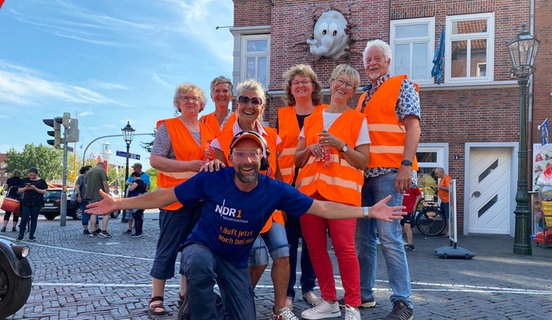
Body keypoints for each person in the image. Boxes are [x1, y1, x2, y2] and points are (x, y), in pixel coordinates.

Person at [85, 130, 406, 320]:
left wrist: (367, 212)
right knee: (196, 264)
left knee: (244, 315)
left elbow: (321, 206)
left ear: (263, 159)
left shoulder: (274, 190)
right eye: (240, 153)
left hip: (235, 261)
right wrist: (119, 203)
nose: (247, 159)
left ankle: (201, 308)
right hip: (204, 248)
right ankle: (196, 311)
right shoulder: (213, 179)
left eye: (254, 154)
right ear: (232, 157)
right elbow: (165, 195)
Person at [208, 79, 294, 319]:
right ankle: (239, 298)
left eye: (255, 101)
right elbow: (220, 180)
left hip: (270, 207)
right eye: (244, 99)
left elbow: (276, 174)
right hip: (241, 209)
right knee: (257, 259)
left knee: (283, 253)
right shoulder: (221, 139)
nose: (249, 105)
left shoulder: (273, 137)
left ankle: (280, 309)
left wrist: (283, 205)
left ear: (262, 106)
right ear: (236, 103)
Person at [294, 64, 369, 320]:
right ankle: (329, 301)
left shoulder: (358, 119)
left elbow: (363, 161)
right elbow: (297, 159)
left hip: (342, 195)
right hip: (310, 193)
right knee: (315, 249)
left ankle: (352, 305)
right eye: (339, 80)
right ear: (331, 82)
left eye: (348, 84)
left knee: (345, 249)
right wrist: (310, 148)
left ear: (353, 91)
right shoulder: (314, 116)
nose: (342, 86)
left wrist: (342, 145)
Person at [353, 39, 421, 320]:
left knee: (389, 237)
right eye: (368, 59)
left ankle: (403, 302)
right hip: (364, 176)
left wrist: (406, 165)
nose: (372, 64)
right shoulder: (362, 96)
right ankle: (364, 295)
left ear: (388, 61)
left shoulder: (401, 86)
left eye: (377, 58)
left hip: (390, 174)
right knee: (362, 239)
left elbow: (413, 126)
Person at [148, 82, 216, 316]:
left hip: (201, 200)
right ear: (177, 103)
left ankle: (184, 295)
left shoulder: (208, 130)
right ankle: (156, 296)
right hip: (174, 198)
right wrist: (189, 166)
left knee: (192, 249)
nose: (190, 102)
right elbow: (155, 160)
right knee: (167, 248)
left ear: (201, 104)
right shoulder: (169, 127)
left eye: (195, 98)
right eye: (185, 98)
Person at [278, 64, 325, 309]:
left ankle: (308, 287)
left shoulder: (324, 112)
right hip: (287, 186)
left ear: (313, 86)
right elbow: (276, 153)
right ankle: (287, 291)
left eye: (305, 81)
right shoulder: (282, 114)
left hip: (314, 186)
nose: (300, 85)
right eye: (295, 82)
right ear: (290, 89)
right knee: (288, 241)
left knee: (311, 240)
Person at [17, 167, 48, 241]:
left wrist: (35, 188)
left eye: (33, 175)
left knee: (34, 219)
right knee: (24, 218)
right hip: (26, 201)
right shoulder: (25, 180)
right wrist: (26, 188)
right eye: (30, 175)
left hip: (37, 202)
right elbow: (19, 190)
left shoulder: (41, 181)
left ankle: (31, 235)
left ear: (37, 174)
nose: (31, 177)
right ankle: (20, 235)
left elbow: (44, 191)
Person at [85, 162, 111, 238]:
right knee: (106, 212)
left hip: (90, 196)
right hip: (100, 196)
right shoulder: (102, 171)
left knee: (93, 213)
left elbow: (86, 185)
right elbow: (105, 183)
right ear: (103, 166)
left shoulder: (89, 172)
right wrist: (107, 194)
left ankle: (93, 231)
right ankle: (103, 230)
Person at [124, 162, 151, 234]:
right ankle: (130, 228)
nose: (133, 169)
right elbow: (127, 182)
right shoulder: (132, 175)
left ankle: (138, 229)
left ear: (138, 168)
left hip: (139, 197)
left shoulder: (145, 176)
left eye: (134, 168)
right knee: (130, 213)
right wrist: (132, 183)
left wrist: (139, 185)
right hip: (132, 197)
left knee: (138, 214)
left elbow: (148, 186)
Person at [75, 165, 99, 235]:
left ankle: (96, 228)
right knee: (85, 213)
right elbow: (77, 187)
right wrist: (78, 196)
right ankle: (85, 229)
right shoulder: (81, 178)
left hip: (93, 199)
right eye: (90, 170)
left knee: (95, 213)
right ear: (86, 171)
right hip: (84, 199)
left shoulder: (92, 178)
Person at [401, 183, 421, 252]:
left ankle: (410, 244)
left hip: (409, 208)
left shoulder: (412, 185)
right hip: (401, 208)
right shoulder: (399, 183)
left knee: (407, 226)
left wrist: (415, 205)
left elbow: (419, 195)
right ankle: (400, 242)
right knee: (401, 226)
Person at [126, 171, 147, 237]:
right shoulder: (143, 182)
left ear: (134, 176)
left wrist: (130, 185)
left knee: (136, 216)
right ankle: (139, 231)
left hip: (136, 200)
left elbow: (131, 189)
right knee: (140, 216)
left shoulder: (137, 182)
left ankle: (138, 232)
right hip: (142, 200)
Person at [434, 167, 452, 236]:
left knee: (447, 216)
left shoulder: (447, 178)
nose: (436, 175)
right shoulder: (441, 179)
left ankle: (449, 232)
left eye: (437, 173)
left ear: (441, 172)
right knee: (444, 216)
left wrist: (439, 187)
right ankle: (445, 230)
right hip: (443, 200)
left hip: (447, 200)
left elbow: (449, 188)